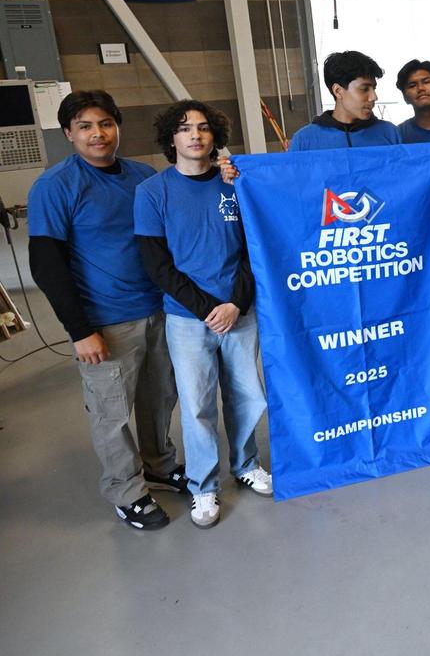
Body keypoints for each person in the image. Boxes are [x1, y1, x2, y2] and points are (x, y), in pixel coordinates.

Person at [28, 90, 184, 531]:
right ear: (68, 134)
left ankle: (159, 464)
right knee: (111, 412)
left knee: (159, 399)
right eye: (84, 126)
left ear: (117, 127)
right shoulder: (55, 187)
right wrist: (80, 330)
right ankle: (127, 491)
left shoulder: (143, 176)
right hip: (106, 321)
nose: (98, 134)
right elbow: (47, 266)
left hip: (157, 309)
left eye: (105, 124)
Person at [135, 100, 273, 528]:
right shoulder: (152, 192)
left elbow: (255, 249)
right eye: (184, 128)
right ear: (170, 139)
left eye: (203, 127)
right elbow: (156, 262)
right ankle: (204, 486)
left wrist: (235, 303)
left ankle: (246, 464)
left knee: (247, 394)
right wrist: (208, 309)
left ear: (215, 135)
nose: (195, 135)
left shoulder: (236, 184)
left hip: (238, 312)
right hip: (187, 318)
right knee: (197, 405)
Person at [290, 50, 401, 150]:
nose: (374, 97)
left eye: (374, 88)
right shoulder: (304, 141)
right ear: (338, 91)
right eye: (364, 89)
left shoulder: (390, 134)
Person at [396, 58, 430, 143]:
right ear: (405, 97)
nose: (420, 88)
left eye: (426, 82)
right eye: (412, 85)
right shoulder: (397, 135)